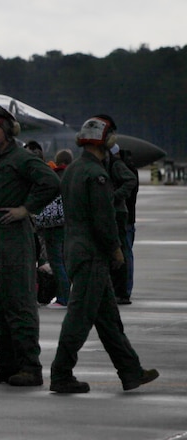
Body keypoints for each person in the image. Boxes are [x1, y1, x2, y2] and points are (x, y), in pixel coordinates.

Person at [49, 115, 159, 394]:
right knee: (79, 317)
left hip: (75, 249)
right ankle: (61, 373)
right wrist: (115, 249)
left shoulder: (73, 169)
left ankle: (130, 371)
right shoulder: (96, 175)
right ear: (107, 141)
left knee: (109, 320)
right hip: (92, 255)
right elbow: (104, 218)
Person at [0, 103, 59, 388]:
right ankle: (6, 364)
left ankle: (29, 367)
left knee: (19, 305)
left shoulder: (20, 158)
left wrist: (27, 209)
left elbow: (50, 182)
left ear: (8, 130)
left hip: (13, 244)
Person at [33, 150, 72, 307]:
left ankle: (63, 297)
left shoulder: (52, 176)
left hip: (51, 225)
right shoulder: (70, 177)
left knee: (56, 261)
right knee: (63, 260)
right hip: (66, 224)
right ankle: (65, 295)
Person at [107, 144, 139, 304]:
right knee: (124, 252)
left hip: (123, 217)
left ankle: (123, 290)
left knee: (123, 253)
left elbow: (130, 183)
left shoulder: (118, 166)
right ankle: (122, 289)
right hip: (126, 216)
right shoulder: (126, 166)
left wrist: (114, 197)